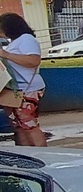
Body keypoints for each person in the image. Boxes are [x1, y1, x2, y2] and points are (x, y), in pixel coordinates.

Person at [0, 13, 46, 146]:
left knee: (29, 125)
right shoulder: (15, 42)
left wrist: (6, 55)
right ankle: (26, 154)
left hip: (28, 89)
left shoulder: (26, 39)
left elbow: (33, 60)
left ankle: (41, 153)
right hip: (16, 90)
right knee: (19, 127)